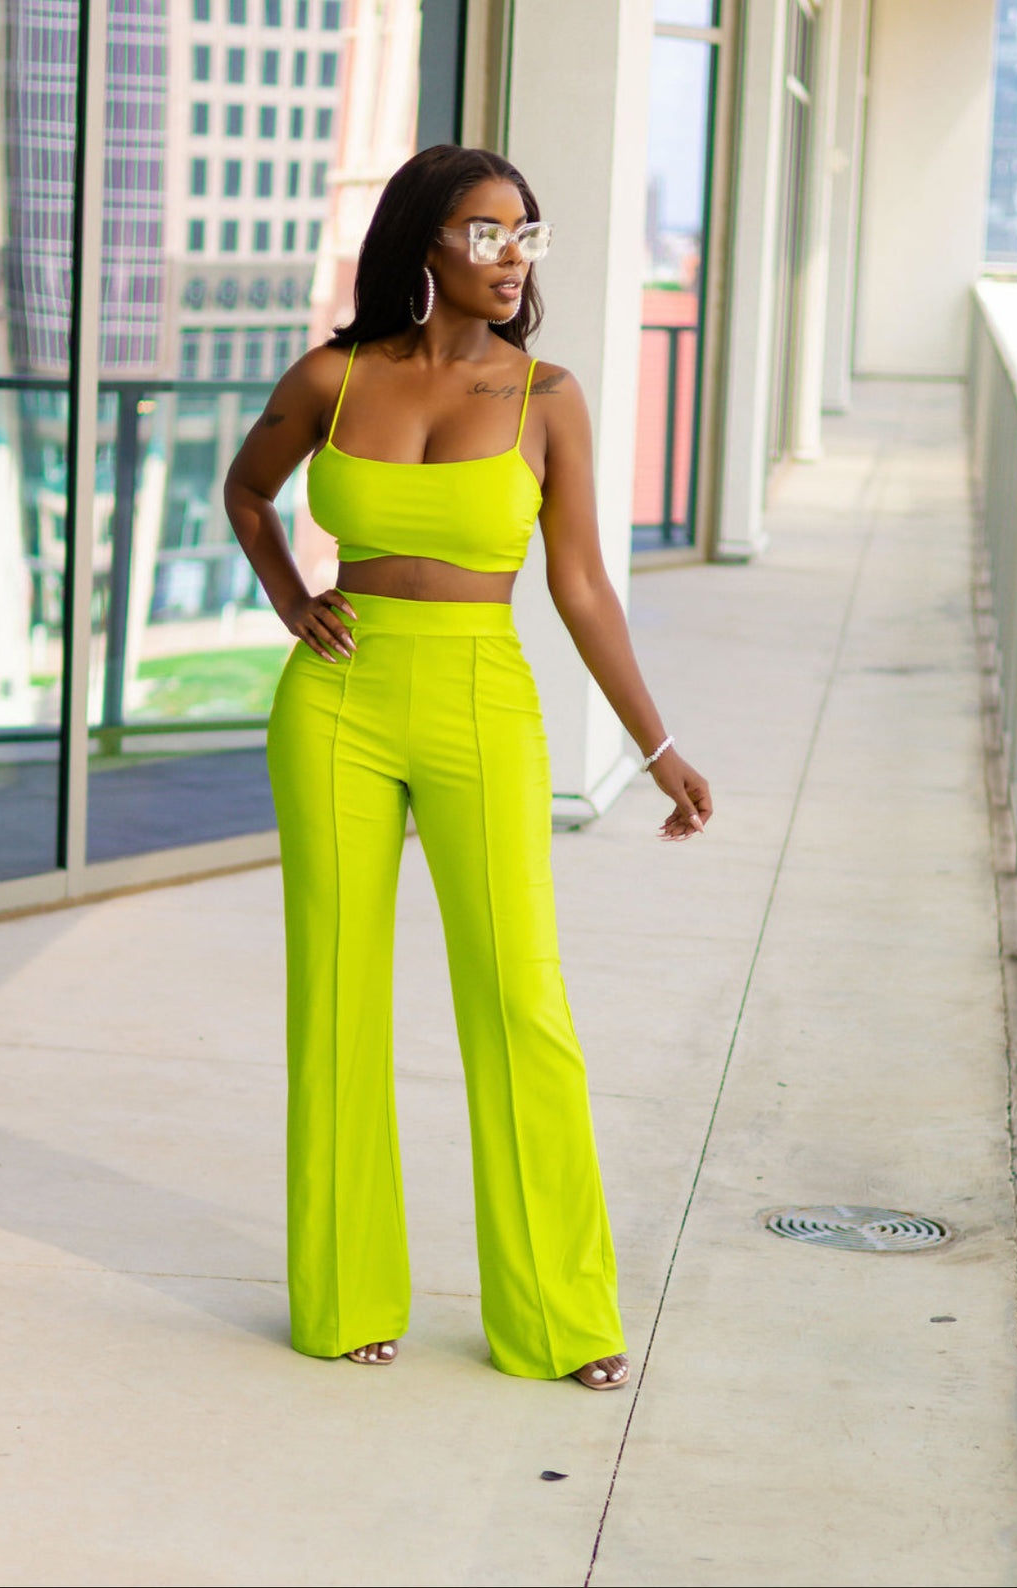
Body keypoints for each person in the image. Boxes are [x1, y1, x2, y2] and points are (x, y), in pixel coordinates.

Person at [223, 144, 712, 1391]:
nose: (512, 258)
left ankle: (557, 1314)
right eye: (487, 232)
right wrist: (292, 602)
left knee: (520, 1001)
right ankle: (343, 1299)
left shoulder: (547, 394)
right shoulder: (332, 377)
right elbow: (249, 490)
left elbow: (584, 585)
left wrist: (657, 747)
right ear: (425, 245)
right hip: (336, 701)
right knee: (334, 1001)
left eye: (525, 235)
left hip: (484, 699)